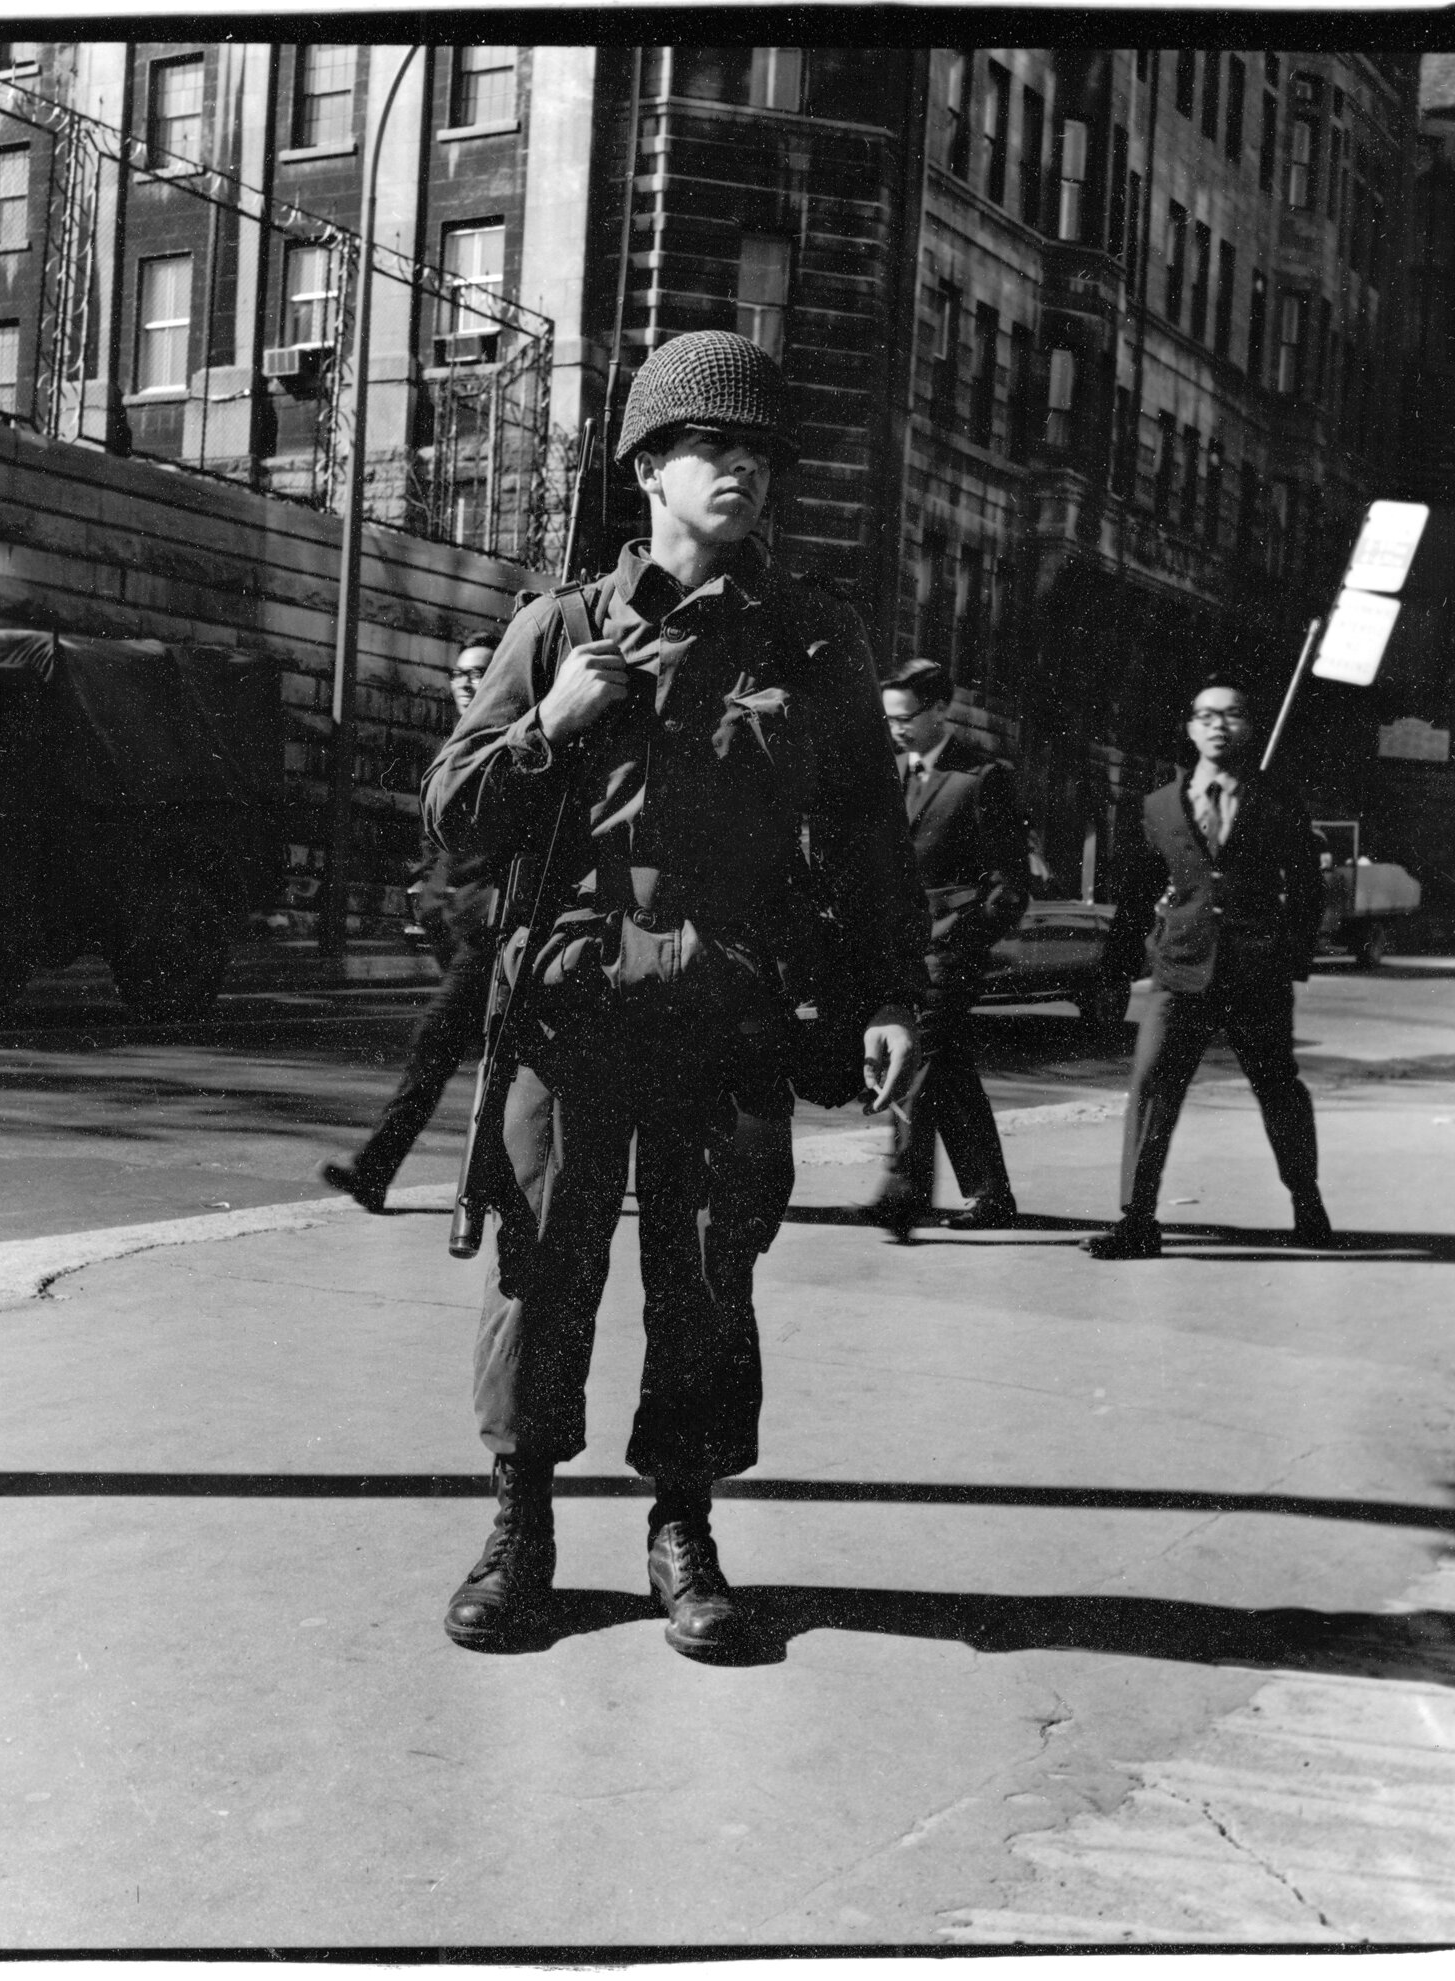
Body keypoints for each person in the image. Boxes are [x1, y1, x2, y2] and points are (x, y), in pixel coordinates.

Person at [422, 330, 926, 1660]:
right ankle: (519, 1528)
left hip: (728, 1009)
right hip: (575, 1005)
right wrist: (551, 726)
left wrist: (891, 995)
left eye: (759, 452)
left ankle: (682, 1530)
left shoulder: (815, 643)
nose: (738, 471)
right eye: (712, 447)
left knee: (707, 1280)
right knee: (543, 1266)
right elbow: (452, 819)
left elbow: (872, 836)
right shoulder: (565, 628)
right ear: (647, 467)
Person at [1087, 678, 1332, 1260]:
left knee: (1278, 1088)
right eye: (1206, 715)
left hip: (1256, 975)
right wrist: (1117, 968)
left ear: (1250, 727)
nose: (1219, 725)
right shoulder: (1157, 806)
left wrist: (1288, 958)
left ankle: (1307, 1203)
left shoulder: (1278, 799)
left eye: (1233, 715)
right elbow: (1137, 889)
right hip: (1181, 972)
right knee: (1151, 1088)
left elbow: (1306, 889)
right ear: (1191, 728)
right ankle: (1137, 1218)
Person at [322, 642, 500, 1212]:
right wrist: (426, 892)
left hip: (492, 929)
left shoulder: (512, 734)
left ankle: (374, 1171)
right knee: (501, 1058)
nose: (468, 681)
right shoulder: (453, 743)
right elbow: (434, 831)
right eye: (460, 673)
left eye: (481, 671)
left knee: (436, 1045)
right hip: (454, 925)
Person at [869, 657, 1032, 1241]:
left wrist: (966, 936)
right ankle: (992, 1193)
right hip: (899, 950)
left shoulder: (983, 777)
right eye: (888, 718)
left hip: (949, 950)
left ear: (941, 709)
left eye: (906, 718)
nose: (896, 729)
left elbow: (1010, 882)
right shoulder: (890, 771)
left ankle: (902, 1189)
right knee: (951, 1070)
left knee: (920, 1056)